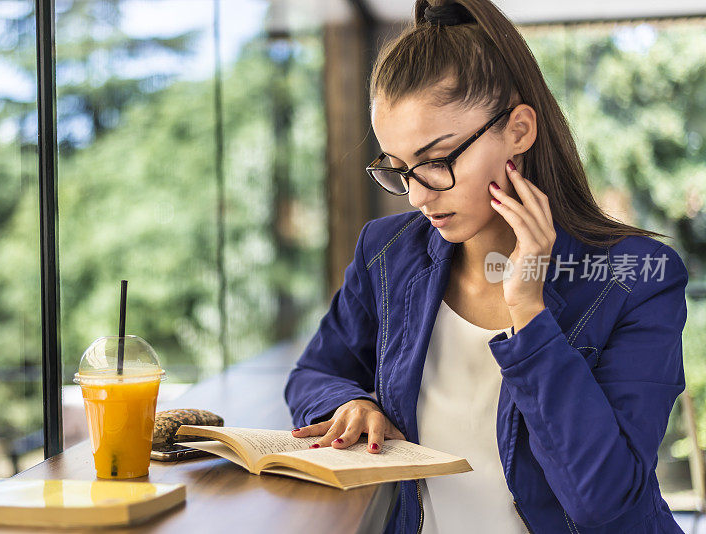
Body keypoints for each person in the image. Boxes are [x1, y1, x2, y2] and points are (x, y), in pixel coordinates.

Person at [283, 1, 689, 533]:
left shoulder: (639, 276)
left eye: (438, 160)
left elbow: (605, 504)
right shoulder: (388, 252)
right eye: (399, 169)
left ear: (518, 130)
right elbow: (315, 373)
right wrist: (351, 402)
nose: (417, 196)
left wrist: (529, 312)